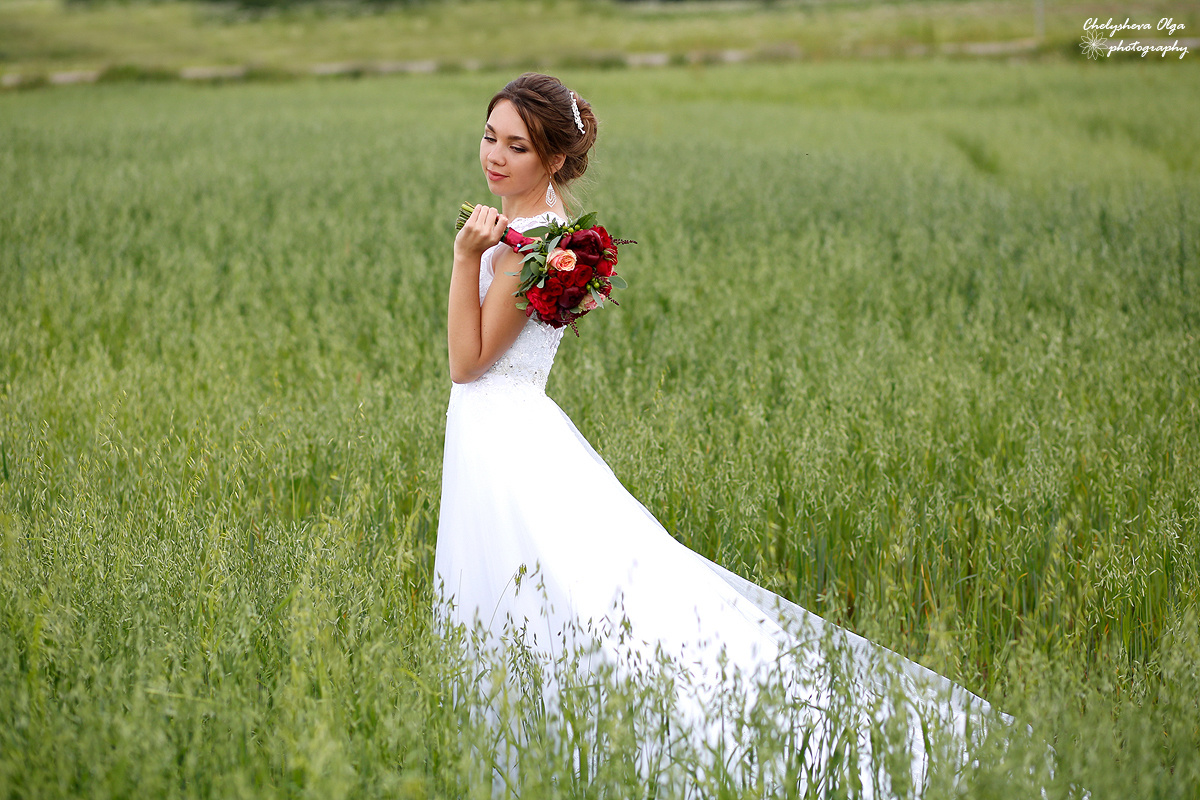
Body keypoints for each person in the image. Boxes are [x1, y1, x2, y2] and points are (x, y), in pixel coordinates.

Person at [435, 73, 1006, 794]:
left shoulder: (531, 245)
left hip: (508, 440)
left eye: (517, 146)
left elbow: (467, 364)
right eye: (490, 136)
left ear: (553, 159)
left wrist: (465, 257)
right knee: (542, 594)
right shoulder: (537, 232)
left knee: (557, 597)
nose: (495, 155)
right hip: (508, 430)